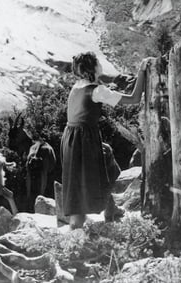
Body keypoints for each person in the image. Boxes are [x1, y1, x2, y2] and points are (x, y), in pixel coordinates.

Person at [60, 51, 145, 229]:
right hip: (84, 140)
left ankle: (108, 210)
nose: (101, 65)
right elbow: (134, 99)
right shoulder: (97, 91)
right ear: (93, 67)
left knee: (92, 170)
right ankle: (81, 224)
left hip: (71, 138)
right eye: (98, 62)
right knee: (97, 172)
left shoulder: (77, 87)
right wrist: (142, 72)